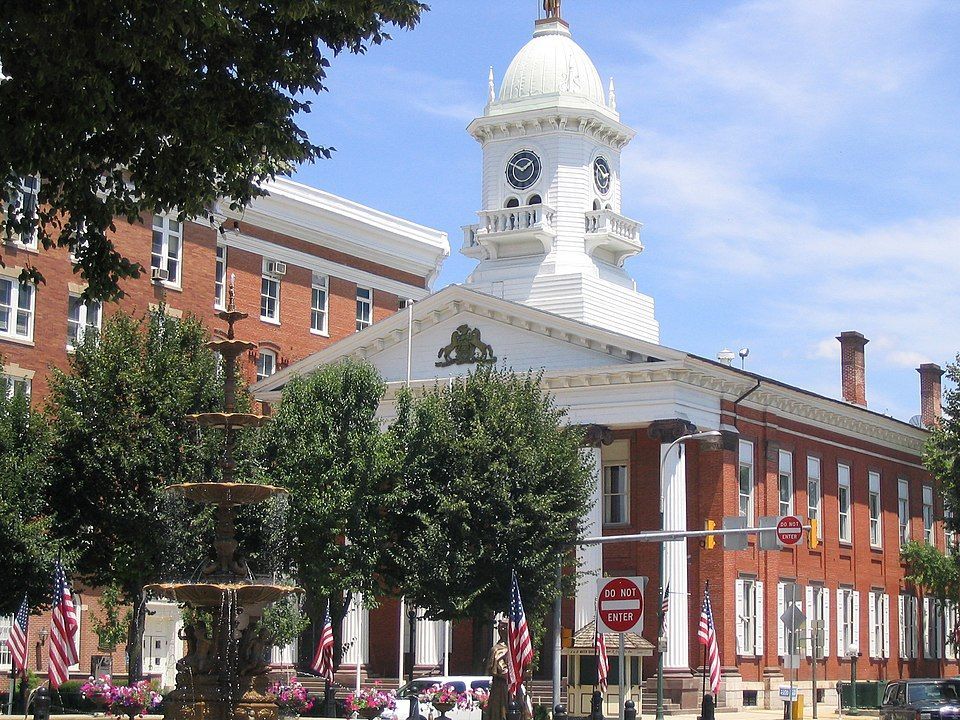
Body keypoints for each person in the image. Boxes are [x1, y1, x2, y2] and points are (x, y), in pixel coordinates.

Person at [485, 619, 510, 720]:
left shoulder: (516, 649)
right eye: (501, 628)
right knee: (500, 713)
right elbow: (493, 670)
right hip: (501, 687)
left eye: (505, 627)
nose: (502, 630)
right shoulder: (496, 649)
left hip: (515, 687)